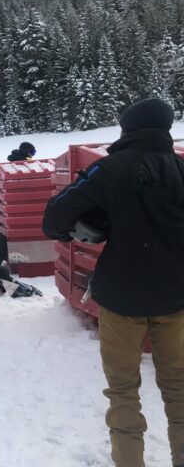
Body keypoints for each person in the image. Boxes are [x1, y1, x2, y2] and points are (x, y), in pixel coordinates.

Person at [42, 98, 184, 467]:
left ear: (128, 129)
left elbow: (54, 219)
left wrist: (94, 224)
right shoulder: (181, 169)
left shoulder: (109, 169)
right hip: (176, 298)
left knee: (123, 395)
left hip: (121, 300)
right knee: (180, 393)